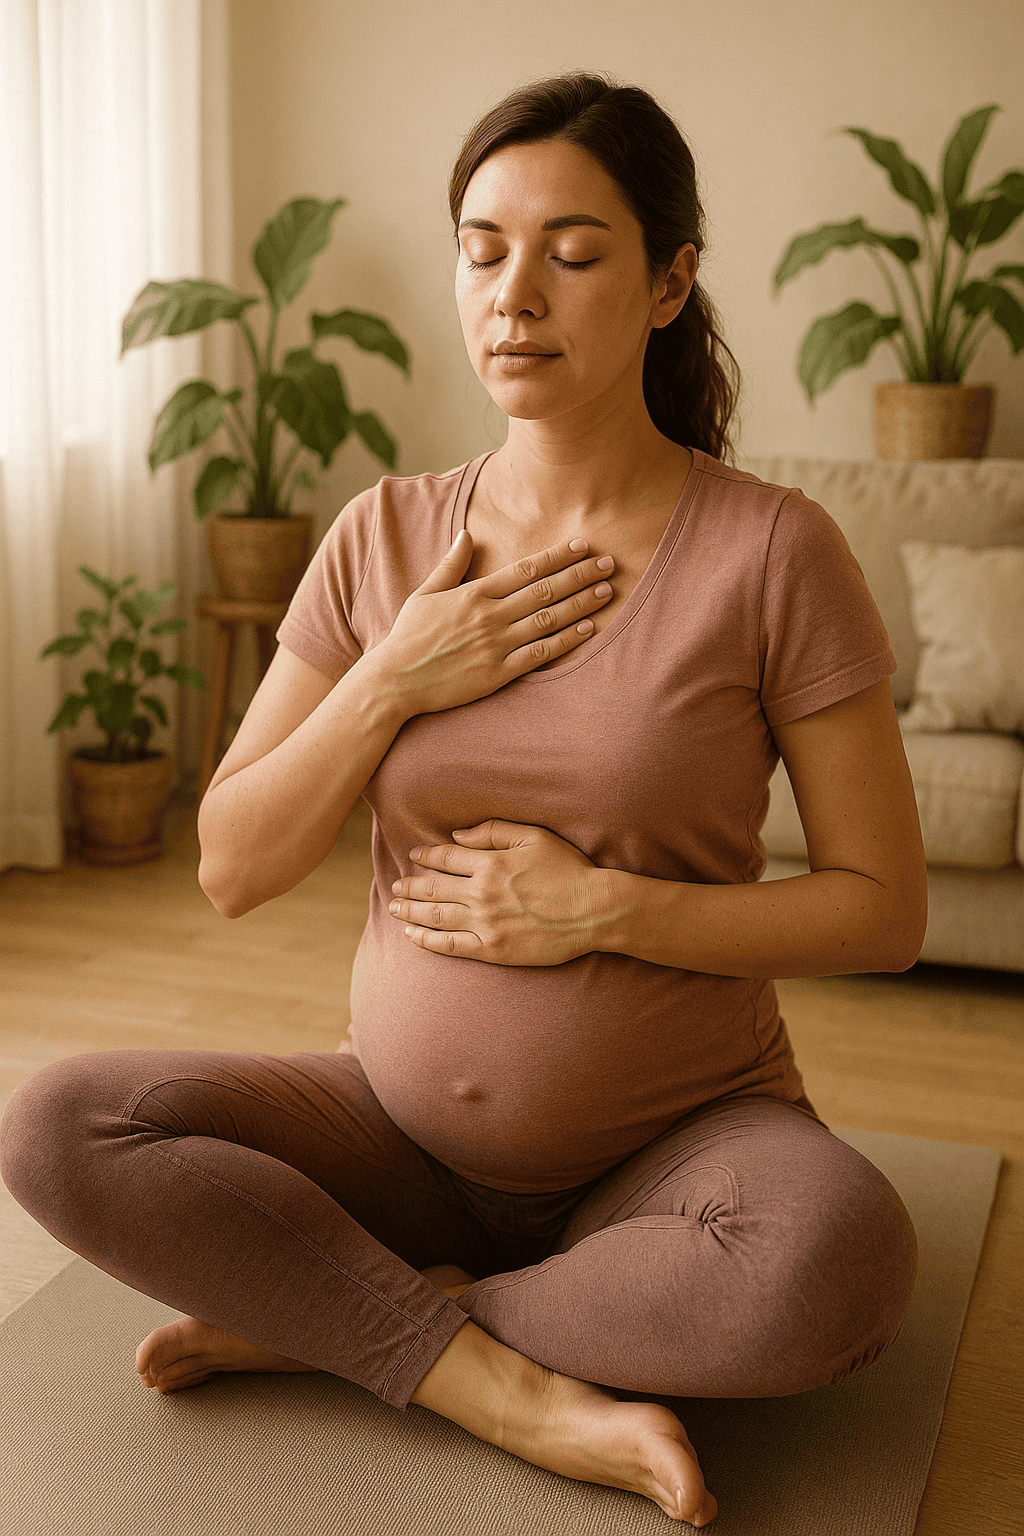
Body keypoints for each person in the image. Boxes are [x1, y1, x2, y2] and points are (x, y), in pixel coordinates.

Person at [0, 72, 926, 1527]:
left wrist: (602, 910)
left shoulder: (774, 553)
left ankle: (360, 1319)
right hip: (397, 1131)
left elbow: (885, 910)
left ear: (671, 280)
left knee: (841, 1259)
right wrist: (390, 679)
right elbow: (234, 865)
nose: (516, 294)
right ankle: (494, 1378)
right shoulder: (386, 536)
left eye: (573, 251)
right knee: (57, 1125)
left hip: (676, 1146)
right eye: (483, 249)